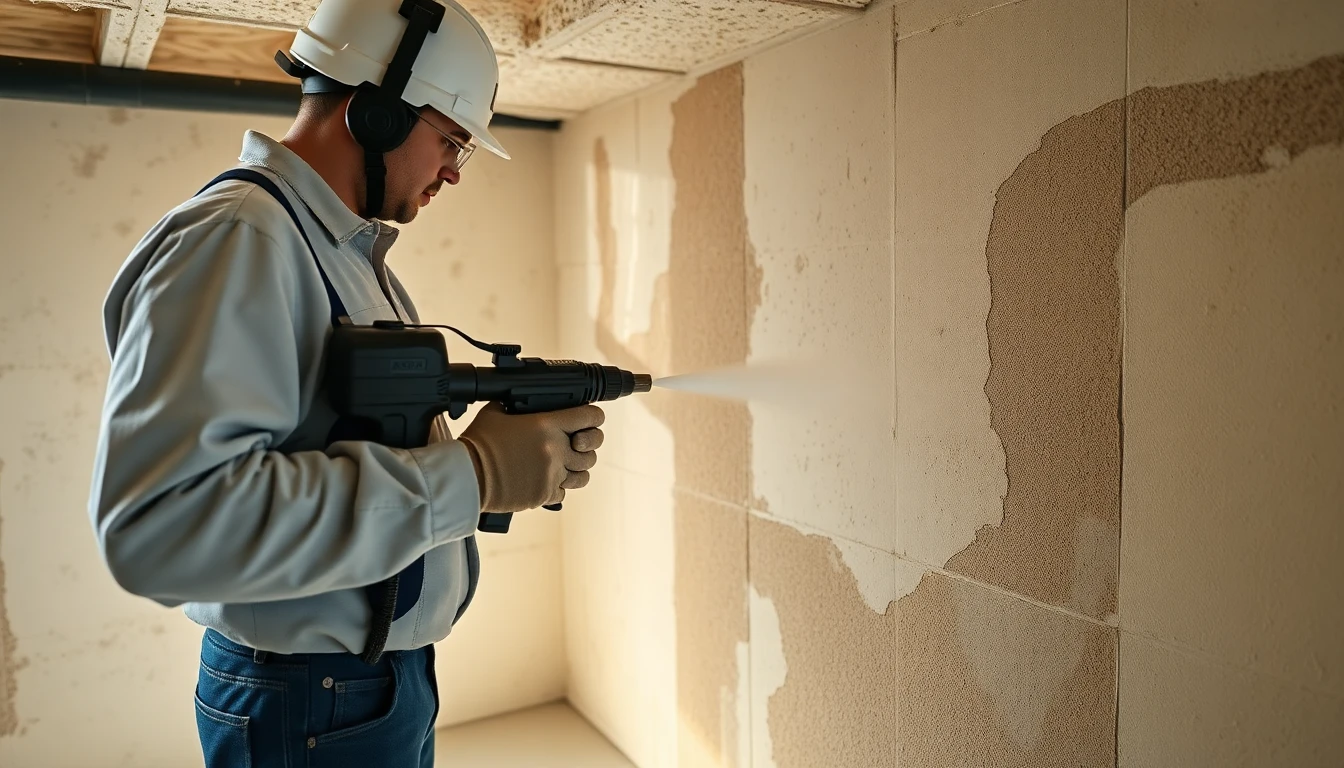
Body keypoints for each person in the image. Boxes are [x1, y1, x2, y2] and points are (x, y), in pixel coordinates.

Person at [84, 0, 605, 765]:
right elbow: (161, 530)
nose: (455, 170)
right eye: (450, 139)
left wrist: (494, 452)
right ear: (380, 115)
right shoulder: (239, 237)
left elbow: (332, 442)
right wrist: (474, 474)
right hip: (309, 703)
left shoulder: (340, 255)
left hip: (368, 689)